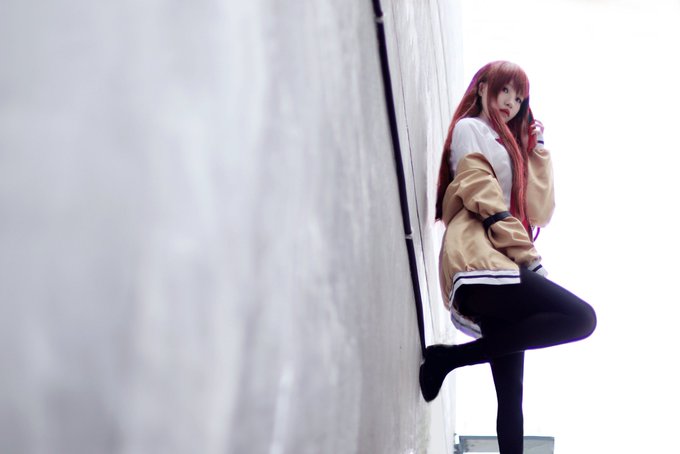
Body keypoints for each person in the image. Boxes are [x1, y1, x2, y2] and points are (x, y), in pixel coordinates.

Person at [420, 61, 597, 454]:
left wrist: (537, 151)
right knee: (582, 318)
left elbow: (539, 212)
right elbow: (482, 195)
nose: (511, 103)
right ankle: (448, 360)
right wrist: (528, 258)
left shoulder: (512, 150)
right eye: (505, 91)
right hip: (481, 259)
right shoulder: (471, 129)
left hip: (501, 262)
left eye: (519, 99)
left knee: (511, 397)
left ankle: (446, 361)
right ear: (483, 86)